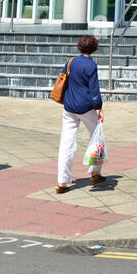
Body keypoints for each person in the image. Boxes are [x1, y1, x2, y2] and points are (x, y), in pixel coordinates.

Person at [56, 35, 104, 193]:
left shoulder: (71, 62)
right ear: (94, 48)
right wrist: (99, 108)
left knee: (67, 143)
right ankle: (95, 171)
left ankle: (62, 181)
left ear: (79, 46)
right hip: (86, 107)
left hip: (69, 107)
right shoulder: (91, 65)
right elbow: (94, 90)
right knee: (97, 138)